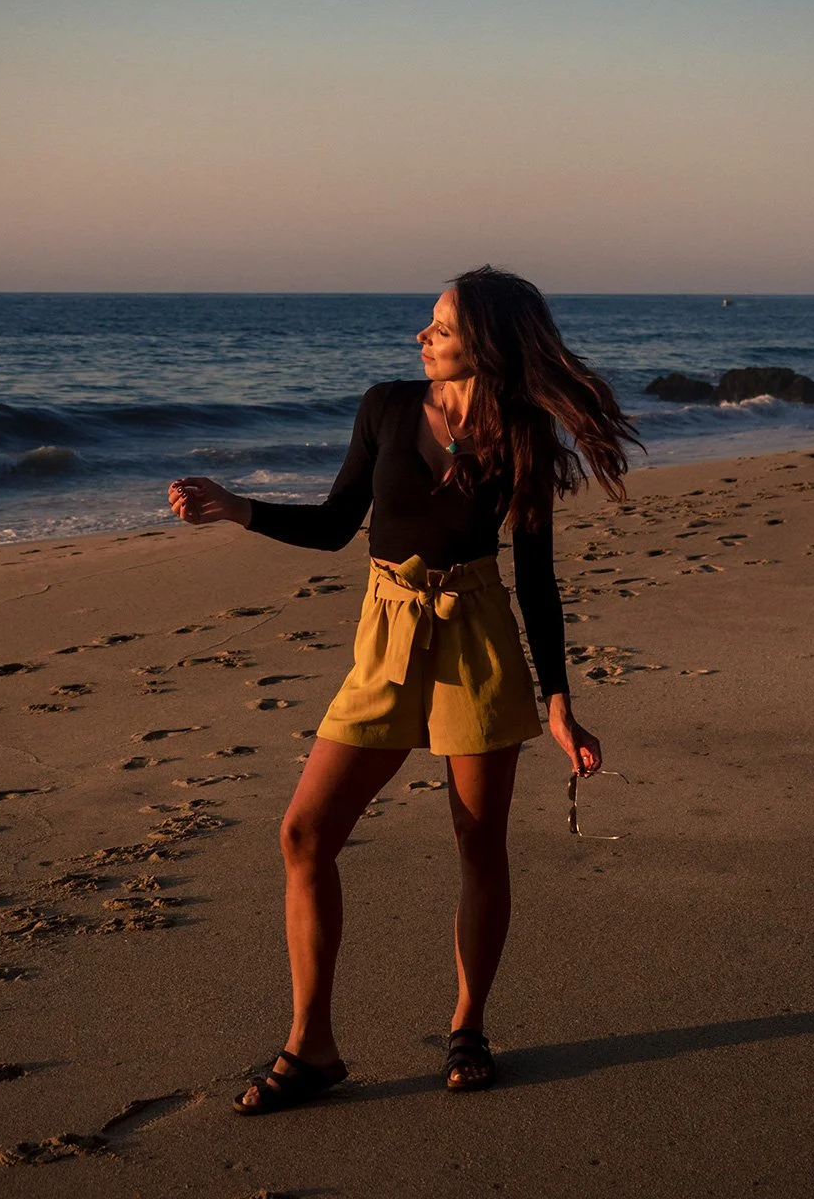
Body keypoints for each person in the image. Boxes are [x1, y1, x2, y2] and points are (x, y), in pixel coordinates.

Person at [168, 265, 641, 1114]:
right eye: (428, 325)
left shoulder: (522, 430)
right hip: (384, 634)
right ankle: (312, 1047)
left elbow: (535, 573)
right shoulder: (385, 405)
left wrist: (560, 702)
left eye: (441, 328)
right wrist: (236, 507)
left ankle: (469, 1028)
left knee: (477, 843)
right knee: (306, 833)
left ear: (484, 344)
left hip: (476, 635)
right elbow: (333, 523)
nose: (421, 337)